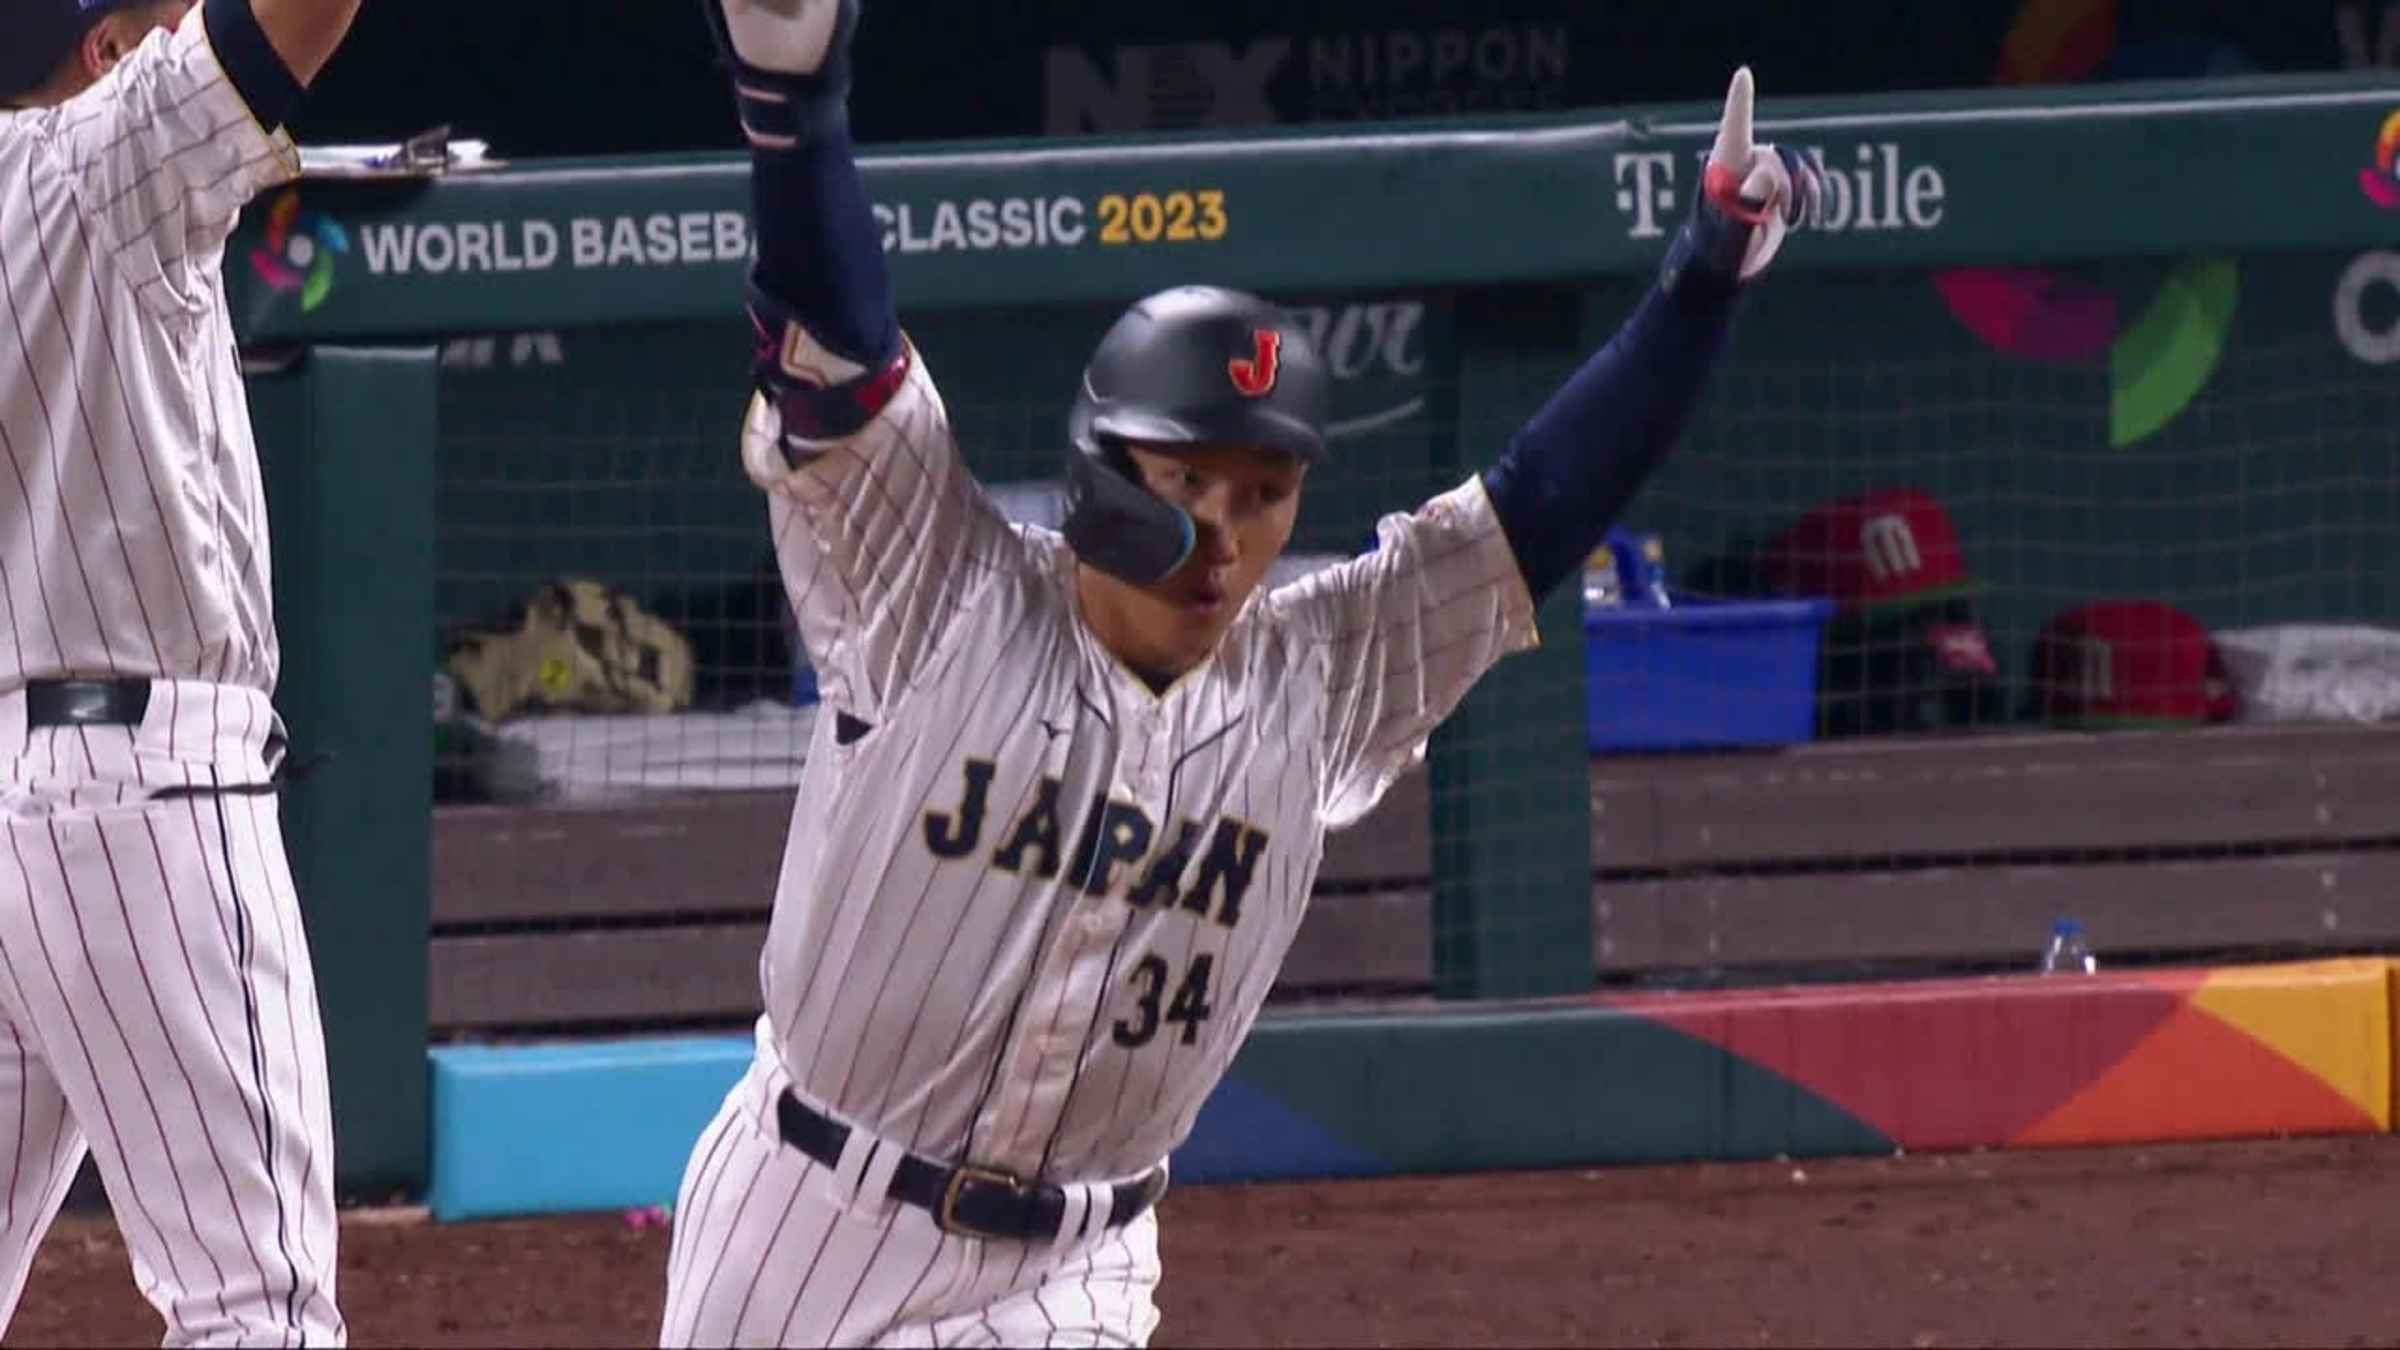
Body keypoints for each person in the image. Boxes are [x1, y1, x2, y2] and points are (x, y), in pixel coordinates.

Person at [663, 1, 1822, 1343]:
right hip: (803, 1212)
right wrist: (795, 104)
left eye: (1265, 492)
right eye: (1187, 480)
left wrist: (1702, 283)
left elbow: (1533, 513)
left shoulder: (1319, 674)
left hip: (1068, 1272)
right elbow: (841, 352)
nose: (1226, 532)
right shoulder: (937, 591)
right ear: (1102, 474)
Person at [1, 0, 364, 1341]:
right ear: (102, 54)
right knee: (255, 1305)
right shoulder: (105, 158)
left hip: (11, 806)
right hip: (138, 792)